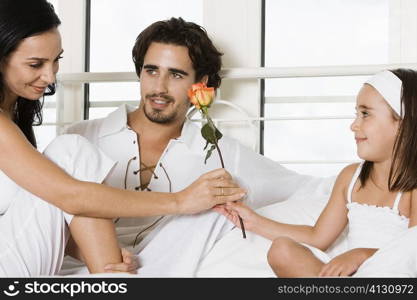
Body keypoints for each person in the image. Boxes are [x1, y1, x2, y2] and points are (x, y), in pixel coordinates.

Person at [0, 0, 245, 277]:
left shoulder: (14, 114)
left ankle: (112, 276)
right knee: (72, 150)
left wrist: (100, 252)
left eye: (56, 60)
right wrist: (180, 201)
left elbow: (42, 216)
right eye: (35, 64)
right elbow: (70, 197)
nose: (50, 75)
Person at [61, 17, 312, 276]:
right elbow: (47, 220)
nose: (159, 87)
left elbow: (310, 189)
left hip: (157, 268)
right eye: (152, 71)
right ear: (140, 73)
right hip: (78, 271)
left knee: (220, 198)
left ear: (200, 84)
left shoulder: (222, 153)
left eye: (176, 75)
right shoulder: (80, 139)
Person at [217, 69, 417, 277]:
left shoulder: (412, 189)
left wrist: (361, 255)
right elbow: (317, 237)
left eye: (365, 114)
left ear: (404, 123)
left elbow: (410, 255)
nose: (354, 125)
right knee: (282, 250)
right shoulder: (351, 178)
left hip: (393, 278)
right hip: (351, 277)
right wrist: (253, 220)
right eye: (356, 114)